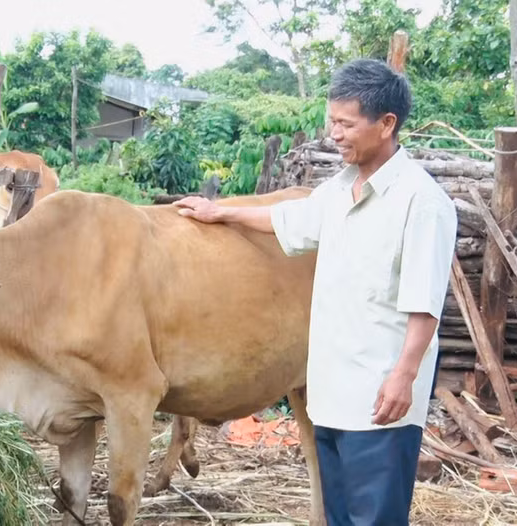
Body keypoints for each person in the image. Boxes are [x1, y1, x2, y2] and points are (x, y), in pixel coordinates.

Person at [174, 58, 458, 525]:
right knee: (338, 517)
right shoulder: (339, 189)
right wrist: (220, 211)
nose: (335, 134)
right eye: (332, 121)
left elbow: (424, 303)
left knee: (376, 519)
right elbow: (287, 220)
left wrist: (404, 376)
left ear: (387, 124)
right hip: (331, 393)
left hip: (378, 398)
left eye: (346, 124)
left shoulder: (421, 201)